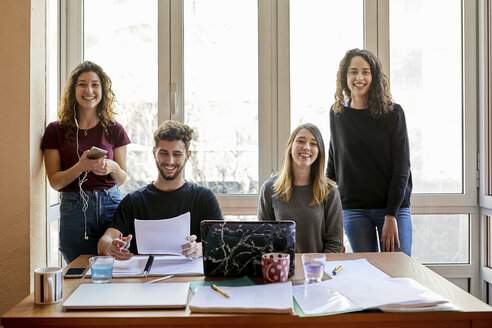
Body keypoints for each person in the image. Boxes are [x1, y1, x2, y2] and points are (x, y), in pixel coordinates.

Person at [41, 61, 131, 263]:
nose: (88, 90)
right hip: (74, 210)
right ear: (73, 90)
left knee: (116, 268)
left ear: (103, 90)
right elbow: (55, 182)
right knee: (77, 272)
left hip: (112, 205)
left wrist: (112, 167)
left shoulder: (115, 129)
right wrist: (82, 166)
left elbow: (123, 177)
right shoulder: (55, 130)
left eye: (95, 84)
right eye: (82, 84)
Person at [327, 48, 413, 256]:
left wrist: (391, 215)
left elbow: (402, 168)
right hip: (353, 210)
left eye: (366, 72)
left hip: (393, 209)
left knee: (398, 274)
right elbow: (333, 162)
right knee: (367, 276)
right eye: (353, 71)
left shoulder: (393, 113)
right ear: (344, 76)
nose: (359, 77)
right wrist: (326, 210)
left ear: (374, 77)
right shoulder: (337, 113)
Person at [97, 120, 223, 260]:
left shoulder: (204, 198)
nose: (169, 161)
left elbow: (222, 244)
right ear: (154, 152)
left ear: (187, 156)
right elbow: (104, 242)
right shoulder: (134, 201)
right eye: (163, 153)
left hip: (188, 278)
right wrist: (110, 247)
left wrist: (202, 248)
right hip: (144, 278)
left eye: (177, 154)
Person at [258, 123, 344, 253]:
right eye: (301, 141)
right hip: (281, 269)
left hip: (317, 269)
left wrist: (316, 268)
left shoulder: (330, 191)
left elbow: (335, 243)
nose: (306, 147)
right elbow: (262, 238)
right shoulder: (269, 189)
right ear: (290, 147)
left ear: (319, 152)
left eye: (313, 144)